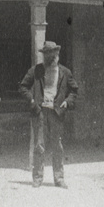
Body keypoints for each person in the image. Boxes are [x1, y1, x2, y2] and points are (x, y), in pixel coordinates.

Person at [19, 41, 79, 189]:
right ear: (44, 55)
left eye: (53, 53)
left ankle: (59, 178)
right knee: (39, 145)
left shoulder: (65, 72)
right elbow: (23, 87)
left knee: (57, 146)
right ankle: (38, 178)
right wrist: (32, 100)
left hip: (57, 113)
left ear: (57, 54)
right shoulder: (36, 70)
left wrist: (67, 101)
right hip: (40, 112)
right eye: (47, 54)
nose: (50, 56)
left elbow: (74, 90)